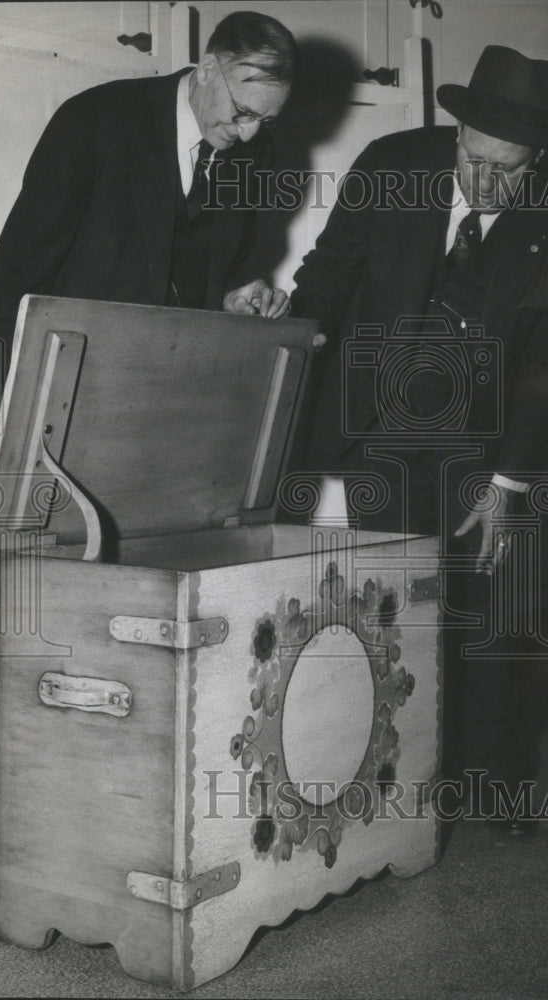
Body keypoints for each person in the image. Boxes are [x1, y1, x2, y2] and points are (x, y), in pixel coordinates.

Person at [290, 45, 548, 829]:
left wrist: (511, 481)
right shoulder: (391, 164)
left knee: (496, 611)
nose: (487, 183)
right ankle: (384, 787)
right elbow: (329, 274)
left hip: (488, 440)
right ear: (457, 132)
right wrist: (291, 347)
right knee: (387, 609)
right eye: (475, 160)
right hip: (379, 427)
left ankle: (492, 794)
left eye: (510, 170)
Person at [0, 10, 296, 487]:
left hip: (178, 400)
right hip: (77, 393)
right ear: (209, 69)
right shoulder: (96, 118)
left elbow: (207, 265)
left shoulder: (254, 152)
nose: (249, 132)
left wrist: (230, 297)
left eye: (265, 121)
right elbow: (16, 270)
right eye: (243, 111)